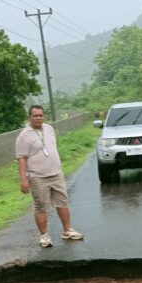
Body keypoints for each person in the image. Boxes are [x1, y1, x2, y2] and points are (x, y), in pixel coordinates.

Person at [15, 105, 84, 247]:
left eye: (41, 115)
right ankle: (44, 236)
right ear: (29, 117)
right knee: (41, 206)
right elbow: (21, 158)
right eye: (35, 116)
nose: (39, 118)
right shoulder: (24, 136)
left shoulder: (49, 128)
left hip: (56, 173)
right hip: (37, 176)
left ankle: (67, 230)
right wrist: (23, 180)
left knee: (62, 202)